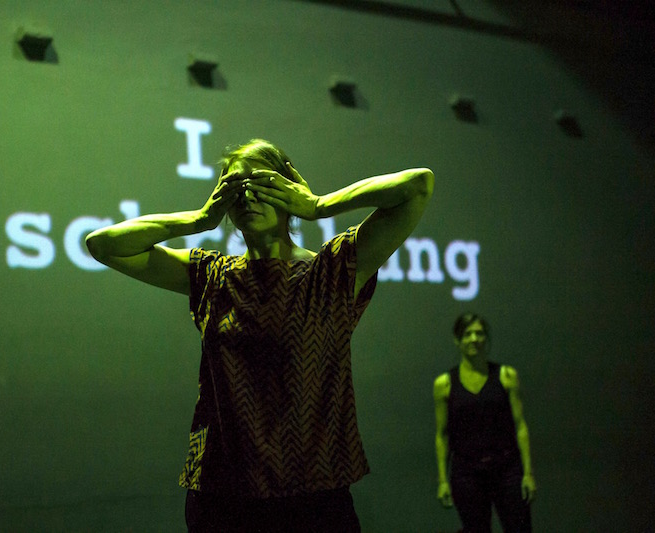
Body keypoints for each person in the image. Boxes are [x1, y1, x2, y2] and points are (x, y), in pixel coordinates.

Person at [86, 139, 434, 532]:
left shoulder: (330, 272)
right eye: (235, 187)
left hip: (313, 497)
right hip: (223, 498)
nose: (247, 196)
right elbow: (102, 245)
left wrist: (319, 205)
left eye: (260, 184)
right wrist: (198, 220)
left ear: (287, 188)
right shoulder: (213, 275)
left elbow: (417, 186)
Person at [433, 313, 536, 532]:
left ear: (486, 338)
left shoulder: (506, 376)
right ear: (457, 339)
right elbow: (442, 435)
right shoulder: (444, 384)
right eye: (467, 334)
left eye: (479, 333)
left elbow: (520, 426)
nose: (474, 339)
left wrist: (528, 473)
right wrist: (442, 480)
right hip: (467, 473)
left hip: (507, 469)